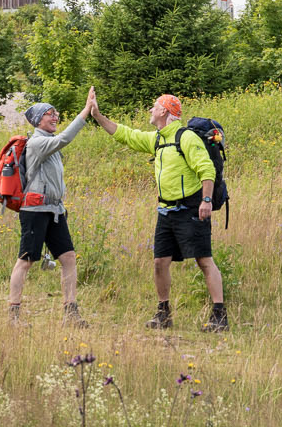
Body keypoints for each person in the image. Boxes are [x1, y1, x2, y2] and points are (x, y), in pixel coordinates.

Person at [88, 92, 226, 332]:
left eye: (154, 107)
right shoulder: (158, 139)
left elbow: (206, 169)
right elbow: (126, 135)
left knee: (204, 260)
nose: (150, 111)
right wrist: (98, 116)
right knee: (160, 262)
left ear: (164, 111)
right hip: (166, 211)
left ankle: (219, 316)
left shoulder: (187, 138)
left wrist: (206, 200)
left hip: (192, 208)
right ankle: (164, 313)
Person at [8, 91, 94, 326]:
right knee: (26, 259)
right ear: (37, 120)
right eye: (49, 114)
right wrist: (85, 112)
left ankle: (70, 312)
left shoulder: (48, 143)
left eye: (56, 114)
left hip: (54, 210)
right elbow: (64, 139)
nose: (55, 117)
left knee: (68, 257)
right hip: (34, 210)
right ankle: (14, 315)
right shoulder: (38, 142)